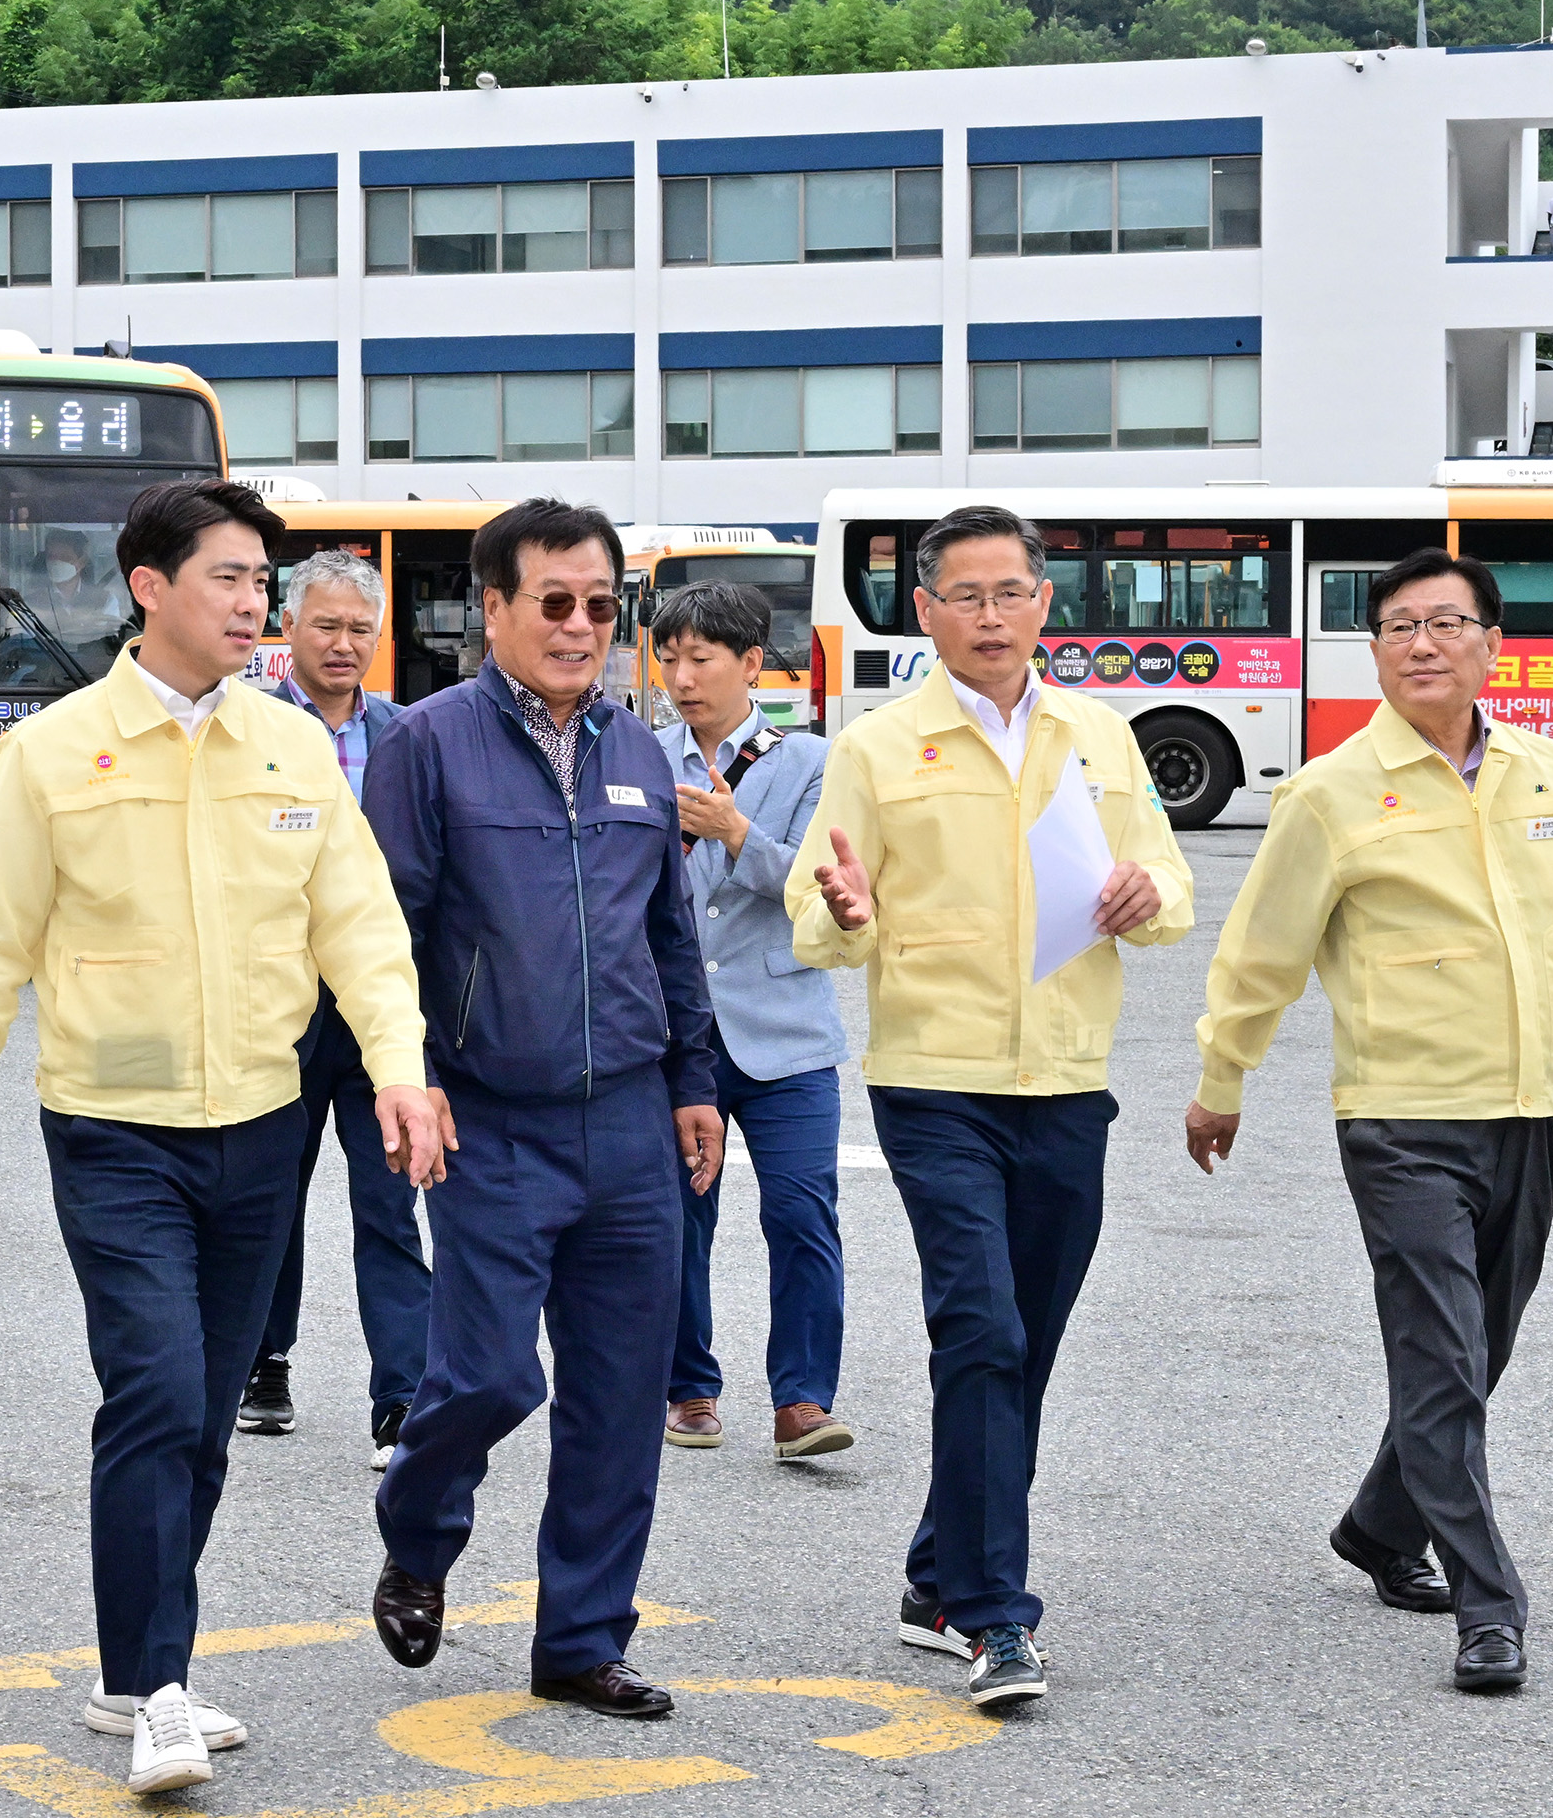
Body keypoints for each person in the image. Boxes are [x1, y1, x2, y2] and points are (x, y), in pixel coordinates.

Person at [0, 483, 439, 1796]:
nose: (254, 602)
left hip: (259, 1127)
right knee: (152, 1391)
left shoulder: (290, 751)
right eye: (230, 577)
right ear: (149, 588)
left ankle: (124, 1664)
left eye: (261, 578)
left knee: (203, 1418)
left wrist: (400, 1072)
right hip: (113, 1127)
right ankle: (159, 1688)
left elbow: (360, 928)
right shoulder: (57, 753)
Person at [1183, 547, 1553, 1696]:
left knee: (1479, 1351)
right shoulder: (1330, 793)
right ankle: (1491, 1602)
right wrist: (1222, 1078)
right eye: (1396, 627)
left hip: (1529, 1110)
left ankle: (1381, 1524)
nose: (1420, 643)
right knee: (1440, 1354)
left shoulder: (1548, 771)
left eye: (1444, 623)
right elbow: (1261, 955)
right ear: (1373, 650)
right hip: (1401, 1120)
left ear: (1490, 643)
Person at [784, 502, 1192, 1709]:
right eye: (964, 595)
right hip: (936, 1082)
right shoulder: (877, 745)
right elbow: (818, 916)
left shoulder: (1099, 738)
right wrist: (846, 914)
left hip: (1067, 1080)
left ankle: (932, 1570)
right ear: (926, 612)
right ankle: (993, 1616)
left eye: (1011, 591)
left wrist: (1142, 889)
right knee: (984, 1332)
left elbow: (1169, 885)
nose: (991, 614)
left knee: (1028, 1346)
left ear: (1044, 603)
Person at [364, 498, 723, 1722]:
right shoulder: (426, 744)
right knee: (490, 1375)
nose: (581, 627)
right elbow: (386, 934)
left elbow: (671, 938)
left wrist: (692, 1082)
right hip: (489, 1118)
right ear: (497, 609)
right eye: (554, 603)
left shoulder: (639, 751)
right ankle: (419, 1529)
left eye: (600, 606)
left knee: (622, 1395)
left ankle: (581, 1636)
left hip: (627, 1119)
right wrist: (408, 1073)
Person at [233, 549, 430, 1469]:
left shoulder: (411, 736)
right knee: (269, 1195)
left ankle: (403, 1394)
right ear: (289, 630)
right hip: (275, 1001)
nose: (344, 644)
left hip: (377, 1008)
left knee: (390, 1201)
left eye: (360, 629)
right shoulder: (249, 727)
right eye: (326, 626)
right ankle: (260, 1362)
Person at [647, 580, 852, 1462]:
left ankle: (803, 1401)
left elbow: (820, 884)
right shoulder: (640, 753)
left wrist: (736, 833)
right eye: (670, 658)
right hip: (672, 1030)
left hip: (788, 1025)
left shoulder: (810, 761)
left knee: (803, 1212)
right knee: (679, 1216)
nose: (682, 677)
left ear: (752, 665)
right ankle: (689, 1386)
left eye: (702, 659)